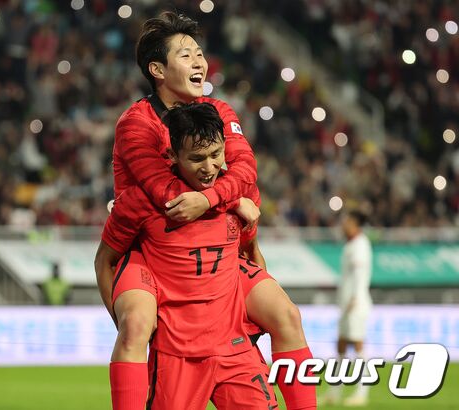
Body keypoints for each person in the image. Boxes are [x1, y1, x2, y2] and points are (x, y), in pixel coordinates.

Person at [102, 11, 316, 410]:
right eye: (185, 55)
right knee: (135, 325)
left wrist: (217, 198)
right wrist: (233, 199)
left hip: (217, 246)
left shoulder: (219, 111)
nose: (200, 62)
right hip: (154, 250)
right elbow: (166, 194)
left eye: (200, 53)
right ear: (157, 69)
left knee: (286, 315)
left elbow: (246, 169)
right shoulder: (137, 124)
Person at [96, 102, 277, 409]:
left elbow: (252, 255)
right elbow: (105, 261)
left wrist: (251, 328)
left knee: (288, 315)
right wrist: (121, 321)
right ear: (172, 156)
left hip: (235, 352)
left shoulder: (241, 197)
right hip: (177, 357)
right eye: (196, 158)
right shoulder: (143, 201)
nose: (209, 167)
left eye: (216, 154)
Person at [322, 210, 373, 407]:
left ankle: (362, 392)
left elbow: (360, 276)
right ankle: (334, 392)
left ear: (355, 224)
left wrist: (355, 299)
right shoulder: (351, 245)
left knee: (358, 346)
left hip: (356, 304)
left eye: (347, 222)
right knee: (341, 346)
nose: (344, 226)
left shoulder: (360, 246)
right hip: (347, 304)